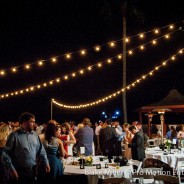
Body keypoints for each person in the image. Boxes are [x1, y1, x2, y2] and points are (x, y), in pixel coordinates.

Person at [1, 112, 50, 184]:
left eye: (34, 122)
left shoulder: (35, 135)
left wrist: (46, 163)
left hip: (32, 170)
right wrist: (11, 169)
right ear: (24, 122)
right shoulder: (14, 136)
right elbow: (5, 155)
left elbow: (41, 150)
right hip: (19, 171)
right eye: (32, 122)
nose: (34, 124)